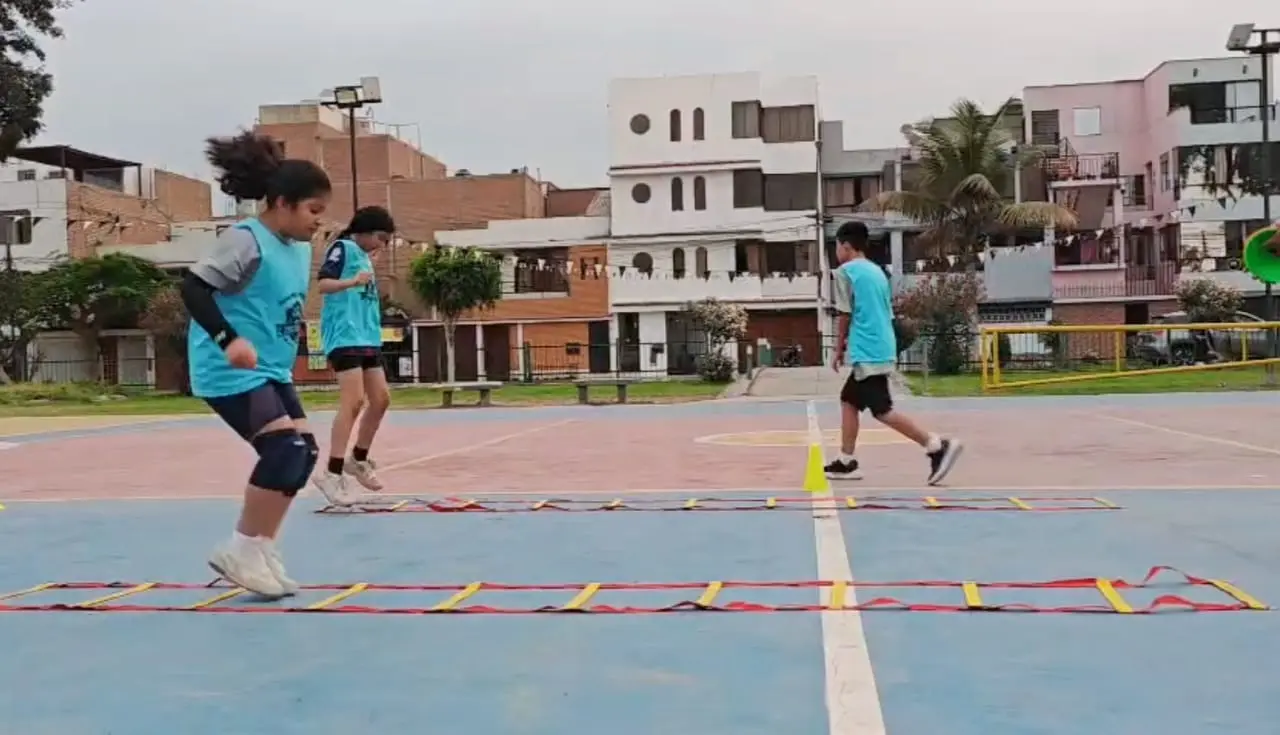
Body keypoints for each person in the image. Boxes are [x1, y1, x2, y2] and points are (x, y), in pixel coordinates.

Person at [180, 130, 331, 598]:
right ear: (282, 203)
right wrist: (228, 339)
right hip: (228, 369)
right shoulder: (246, 239)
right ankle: (240, 547)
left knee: (303, 453)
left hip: (270, 368)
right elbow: (192, 288)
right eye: (313, 211)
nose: (317, 223)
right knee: (283, 450)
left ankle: (261, 545)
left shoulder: (300, 247)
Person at [825, 221, 962, 485]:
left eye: (837, 247)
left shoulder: (845, 272)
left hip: (868, 349)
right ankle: (846, 461)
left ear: (844, 245)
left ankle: (935, 445)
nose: (836, 253)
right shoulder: (877, 271)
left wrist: (838, 347)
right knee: (849, 400)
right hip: (883, 344)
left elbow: (845, 313)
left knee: (881, 409)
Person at [311, 207, 397, 505]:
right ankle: (331, 473)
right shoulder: (342, 248)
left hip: (367, 336)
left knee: (382, 398)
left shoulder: (364, 257)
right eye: (380, 237)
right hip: (345, 335)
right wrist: (352, 282)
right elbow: (323, 284)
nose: (383, 245)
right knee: (353, 401)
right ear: (365, 231)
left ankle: (357, 457)